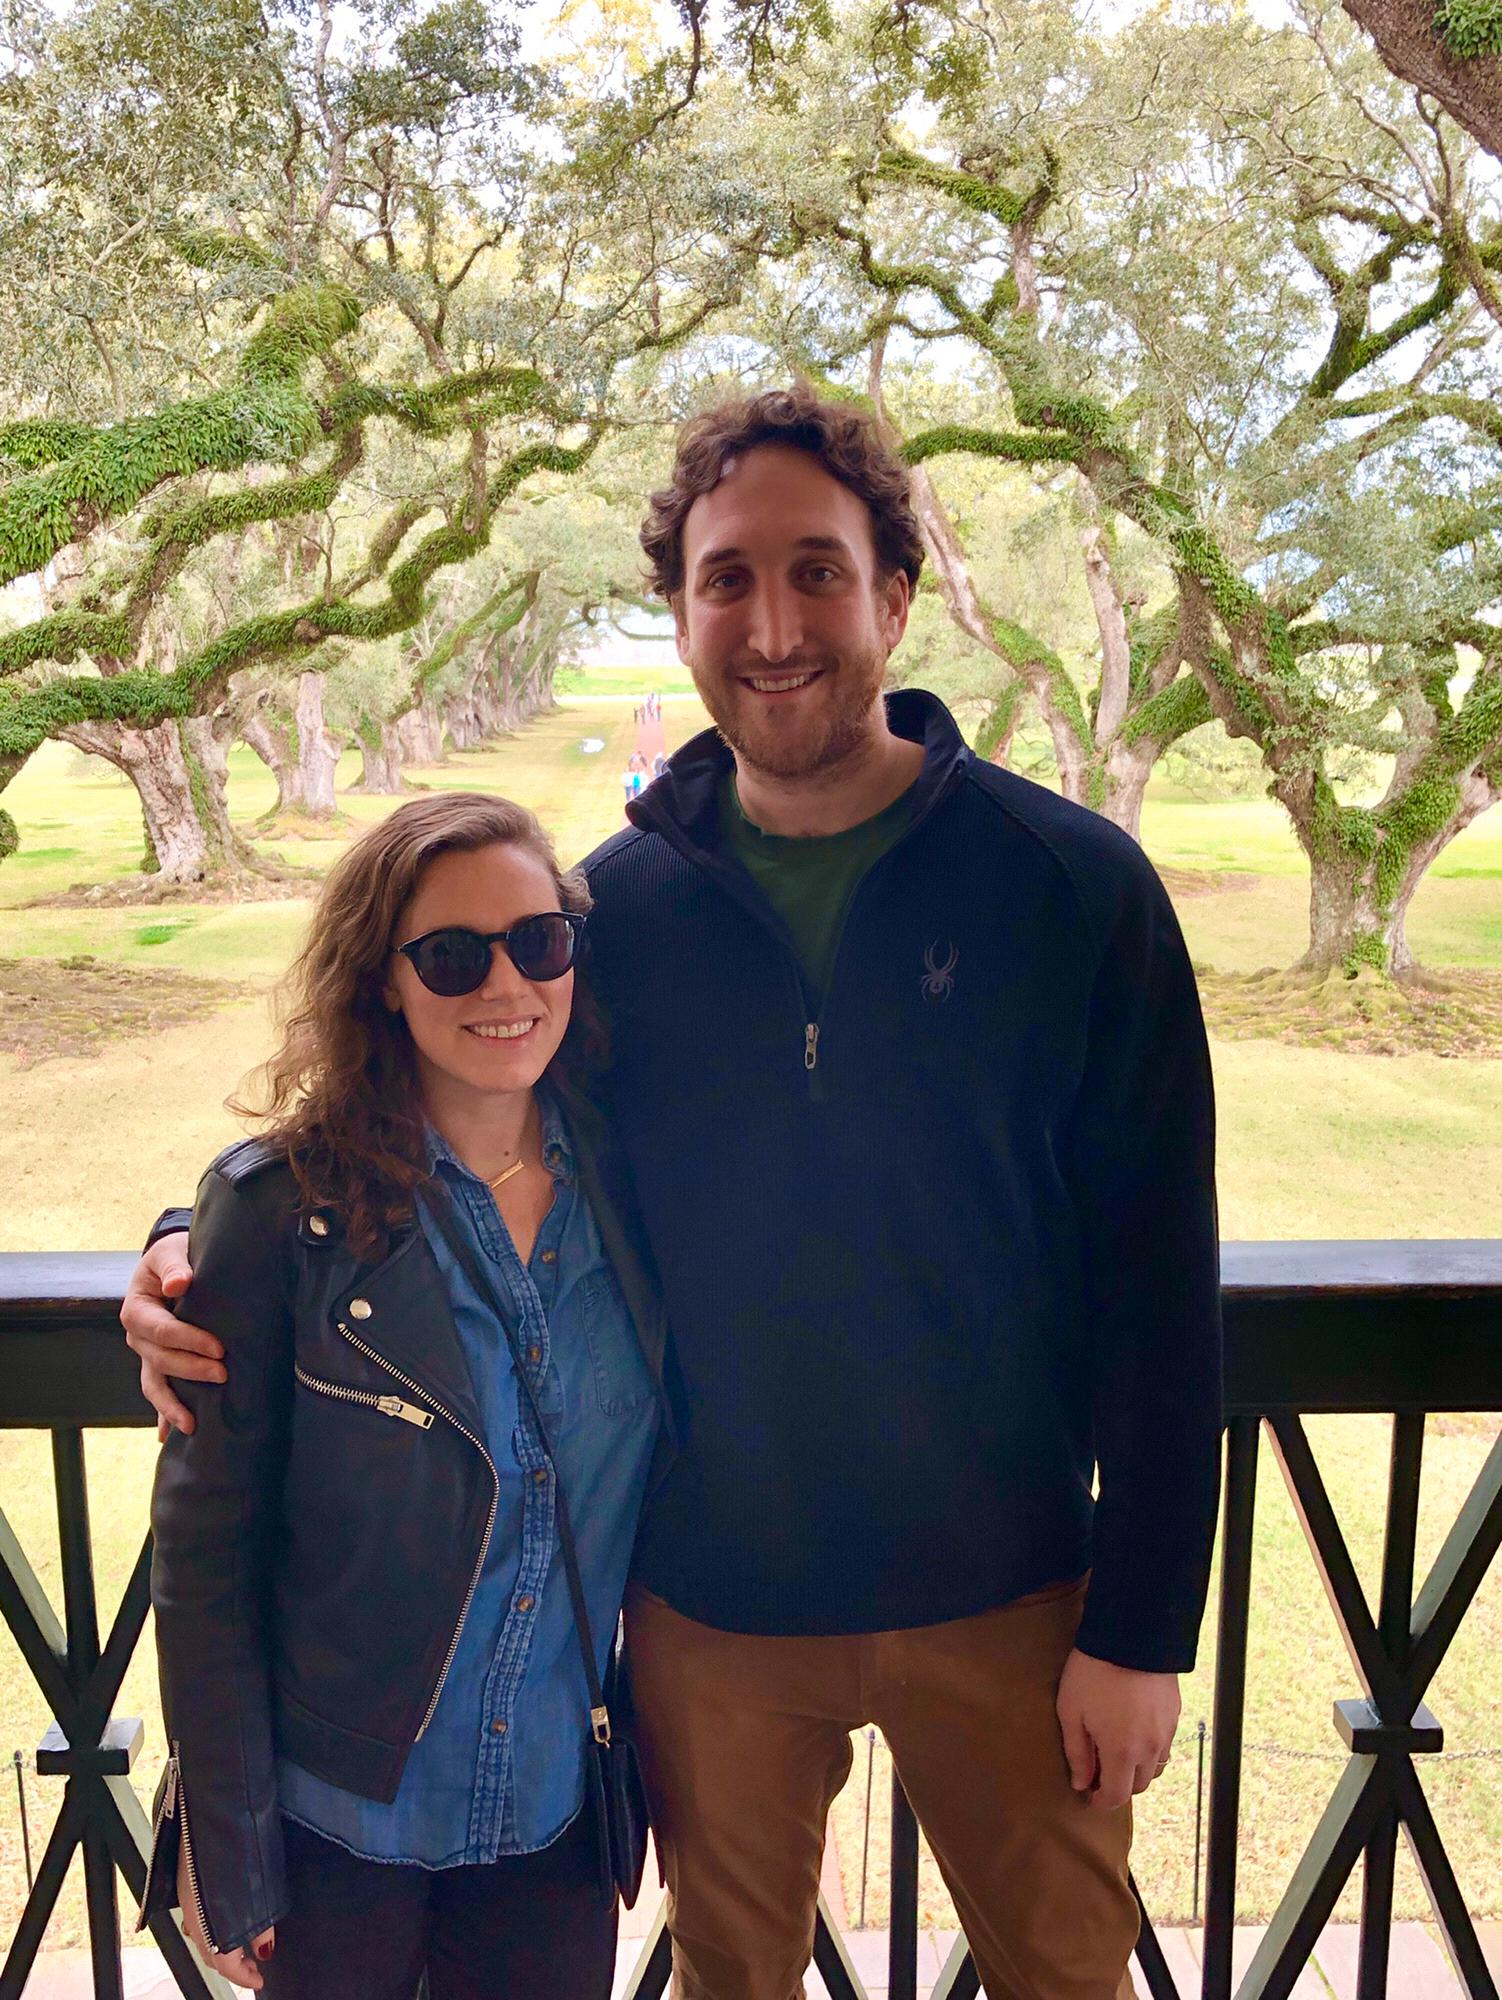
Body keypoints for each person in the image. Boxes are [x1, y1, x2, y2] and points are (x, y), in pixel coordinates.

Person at [124, 385, 1221, 2000]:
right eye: (728, 580)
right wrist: (186, 1248)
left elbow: (1159, 1272)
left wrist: (1144, 1623)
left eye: (816, 572)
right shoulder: (610, 916)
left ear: (894, 597)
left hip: (1007, 1589)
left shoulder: (1071, 888)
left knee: (1066, 1976)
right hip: (709, 1610)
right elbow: (428, 1086)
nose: (773, 626)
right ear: (679, 611)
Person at [136, 793, 663, 1999]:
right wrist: (231, 1847)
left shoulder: (632, 1181)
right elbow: (205, 1553)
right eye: (450, 953)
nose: (505, 983)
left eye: (538, 941)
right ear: (382, 978)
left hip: (550, 1813)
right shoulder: (284, 1213)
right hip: (337, 1830)